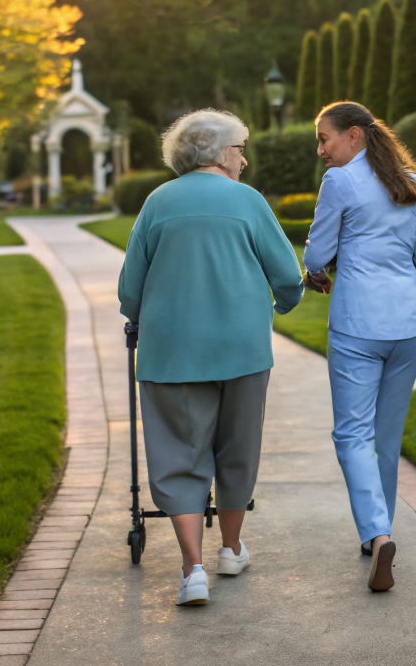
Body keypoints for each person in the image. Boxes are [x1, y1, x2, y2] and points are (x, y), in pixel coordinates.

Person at [118, 109, 304, 607]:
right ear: (221, 153)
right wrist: (284, 304)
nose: (243, 159)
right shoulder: (248, 201)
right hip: (241, 350)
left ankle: (191, 569)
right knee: (237, 450)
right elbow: (286, 274)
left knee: (179, 454)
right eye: (239, 149)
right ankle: (231, 548)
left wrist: (138, 315)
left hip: (172, 352)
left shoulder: (158, 202)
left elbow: (129, 287)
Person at [303, 101, 416, 592]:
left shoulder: (340, 183)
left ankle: (377, 531)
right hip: (410, 328)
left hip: (358, 326)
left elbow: (317, 251)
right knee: (386, 439)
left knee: (352, 436)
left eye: (324, 139)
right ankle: (378, 538)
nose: (321, 150)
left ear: (353, 135)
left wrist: (314, 271)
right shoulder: (415, 186)